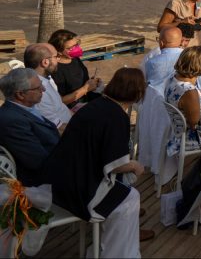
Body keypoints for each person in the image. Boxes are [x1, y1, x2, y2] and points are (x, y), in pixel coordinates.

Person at [45, 68, 152, 257]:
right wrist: (135, 165)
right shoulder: (116, 116)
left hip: (60, 178)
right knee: (130, 197)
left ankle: (105, 247)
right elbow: (116, 163)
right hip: (79, 190)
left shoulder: (96, 106)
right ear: (137, 94)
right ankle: (117, 253)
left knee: (125, 193)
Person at [0, 68, 60, 185]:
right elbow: (38, 161)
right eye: (38, 88)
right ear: (21, 94)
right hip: (45, 181)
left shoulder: (25, 108)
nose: (43, 89)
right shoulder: (11, 121)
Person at [164, 46, 201, 157]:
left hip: (177, 135)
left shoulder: (172, 79)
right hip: (192, 141)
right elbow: (196, 124)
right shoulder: (189, 92)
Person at [142, 26, 201, 94]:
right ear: (181, 41)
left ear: (161, 43)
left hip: (158, 101)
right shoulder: (190, 58)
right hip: (186, 101)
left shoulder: (150, 62)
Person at [23, 43, 73, 129]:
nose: (58, 60)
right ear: (45, 62)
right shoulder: (38, 92)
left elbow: (60, 107)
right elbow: (57, 128)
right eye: (56, 56)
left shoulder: (46, 78)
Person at [49, 28, 102, 107]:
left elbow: (80, 79)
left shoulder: (74, 59)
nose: (75, 49)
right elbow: (61, 101)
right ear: (59, 51)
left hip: (86, 99)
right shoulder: (56, 70)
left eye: (76, 45)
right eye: (70, 48)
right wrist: (86, 89)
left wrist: (93, 83)